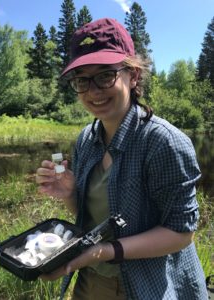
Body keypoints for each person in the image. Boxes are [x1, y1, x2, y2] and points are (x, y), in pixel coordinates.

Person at [36, 18, 208, 300]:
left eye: (105, 75)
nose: (93, 91)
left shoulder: (163, 142)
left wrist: (104, 252)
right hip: (90, 280)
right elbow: (92, 219)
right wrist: (70, 195)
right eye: (82, 80)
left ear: (133, 75)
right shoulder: (85, 140)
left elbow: (181, 233)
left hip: (149, 287)